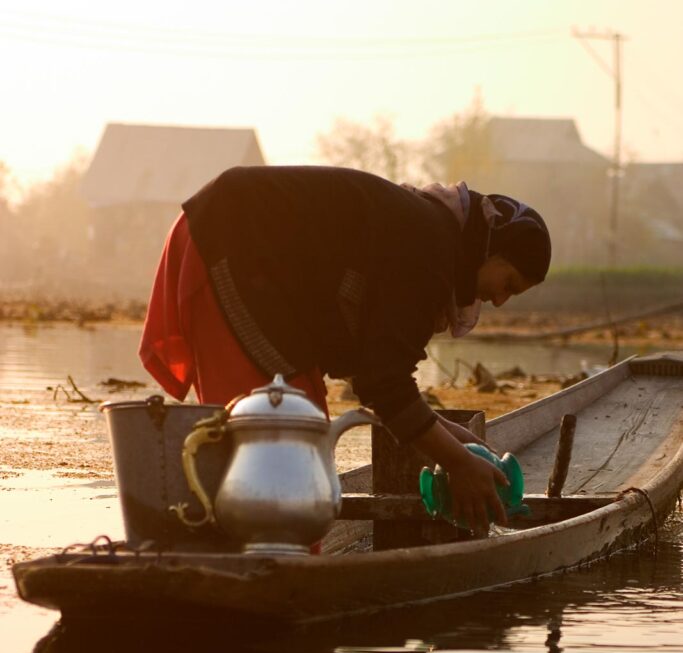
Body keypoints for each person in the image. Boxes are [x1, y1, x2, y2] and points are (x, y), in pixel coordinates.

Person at [139, 166, 551, 536]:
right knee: (279, 439)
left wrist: (453, 441)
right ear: (491, 251)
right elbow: (384, 384)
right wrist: (459, 463)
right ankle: (256, 566)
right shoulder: (430, 251)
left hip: (233, 239)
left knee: (290, 442)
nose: (499, 301)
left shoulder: (432, 236)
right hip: (236, 240)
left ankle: (258, 555)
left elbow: (376, 374)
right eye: (509, 283)